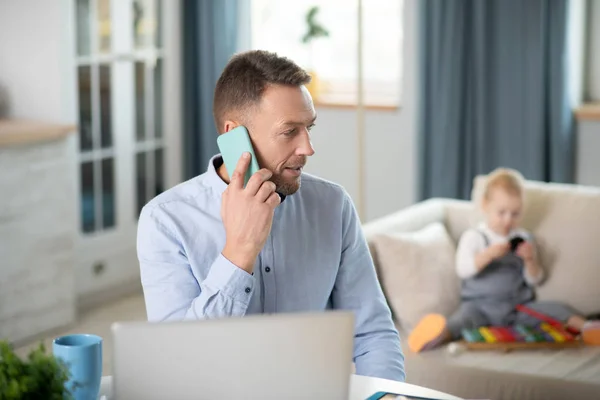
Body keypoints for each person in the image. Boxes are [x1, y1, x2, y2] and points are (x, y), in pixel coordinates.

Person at [136, 50, 405, 381]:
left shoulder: (333, 206)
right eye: (290, 131)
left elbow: (372, 336)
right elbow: (178, 364)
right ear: (235, 135)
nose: (308, 148)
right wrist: (239, 253)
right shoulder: (165, 221)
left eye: (309, 128)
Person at [408, 168, 600, 352]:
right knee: (461, 321)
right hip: (480, 306)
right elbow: (463, 270)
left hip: (516, 308)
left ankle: (588, 328)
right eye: (501, 213)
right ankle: (435, 335)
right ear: (485, 205)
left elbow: (535, 280)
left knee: (557, 310)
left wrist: (530, 260)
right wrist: (488, 255)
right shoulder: (475, 237)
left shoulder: (524, 238)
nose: (508, 220)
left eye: (515, 214)